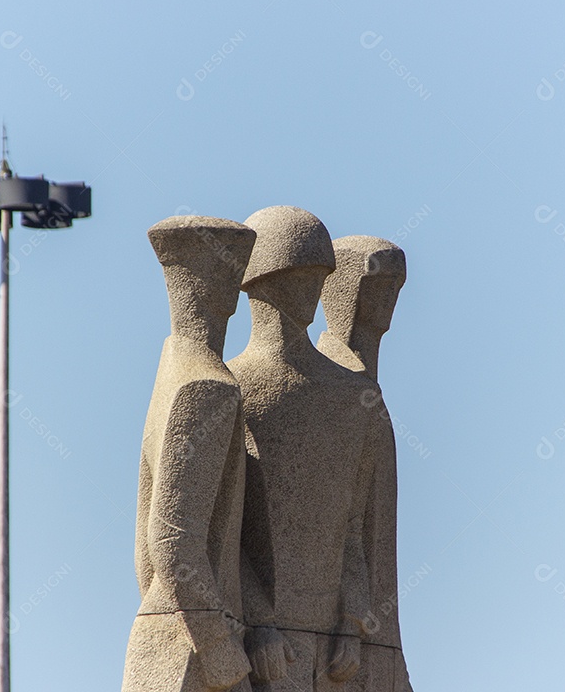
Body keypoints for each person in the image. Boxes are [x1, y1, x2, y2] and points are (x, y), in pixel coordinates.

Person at [227, 207, 378, 691]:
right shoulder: (232, 388)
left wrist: (352, 620)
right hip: (264, 645)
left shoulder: (350, 395)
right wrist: (258, 622)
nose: (314, 287)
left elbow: (351, 523)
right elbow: (219, 529)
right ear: (264, 280)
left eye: (321, 275)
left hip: (333, 649)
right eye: (301, 274)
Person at [122, 215, 257, 692]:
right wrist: (221, 649)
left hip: (162, 634)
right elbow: (171, 539)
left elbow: (146, 553)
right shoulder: (208, 385)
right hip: (195, 652)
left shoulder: (171, 367)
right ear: (226, 292)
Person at [317, 236, 413, 692]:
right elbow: (339, 519)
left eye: (396, 285)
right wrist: (350, 618)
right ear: (346, 289)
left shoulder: (366, 388)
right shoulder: (331, 388)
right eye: (379, 282)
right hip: (340, 633)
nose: (389, 297)